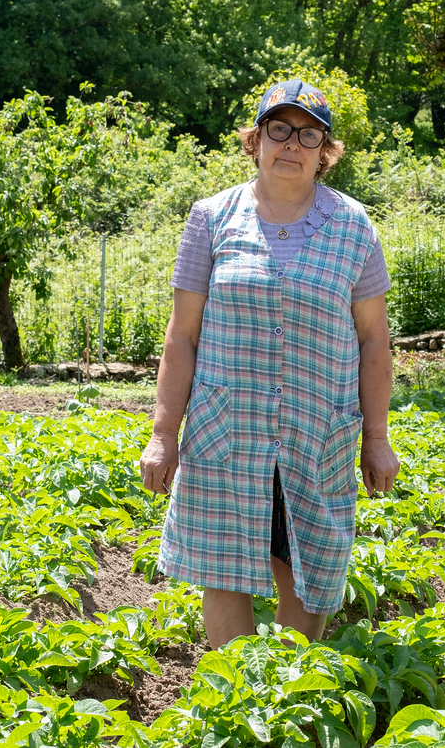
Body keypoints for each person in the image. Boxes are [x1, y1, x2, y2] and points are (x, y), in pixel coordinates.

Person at [138, 78, 400, 648]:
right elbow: (181, 336)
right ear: (255, 140)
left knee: (309, 564)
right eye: (279, 130)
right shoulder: (211, 218)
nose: (292, 145)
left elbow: (374, 340)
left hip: (317, 429)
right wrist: (163, 434)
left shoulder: (355, 226)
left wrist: (376, 437)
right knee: (222, 566)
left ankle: (286, 695)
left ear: (326, 152)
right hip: (227, 427)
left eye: (310, 135)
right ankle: (236, 703)